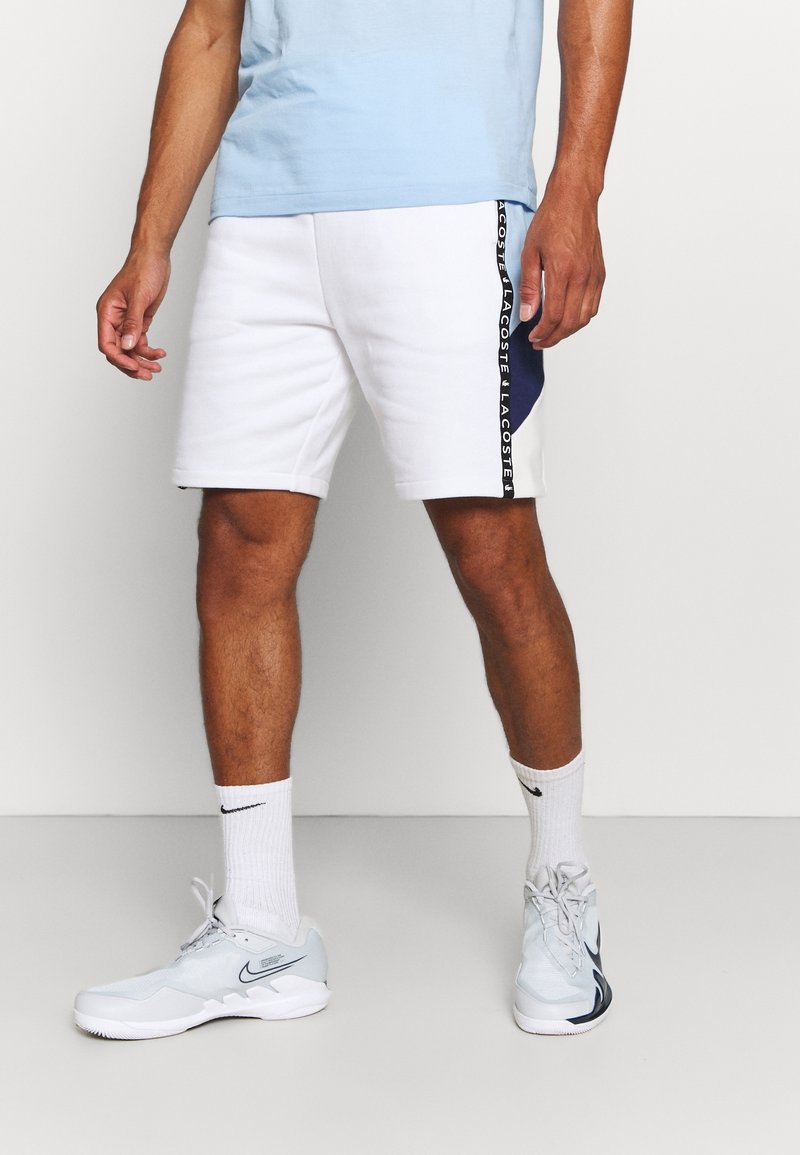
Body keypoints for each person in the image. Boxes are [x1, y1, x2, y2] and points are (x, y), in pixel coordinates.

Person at [74, 0, 633, 1040]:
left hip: (453, 202)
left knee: (494, 554)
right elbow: (211, 27)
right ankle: (262, 930)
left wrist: (577, 182)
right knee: (239, 547)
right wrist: (149, 240)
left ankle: (563, 885)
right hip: (264, 212)